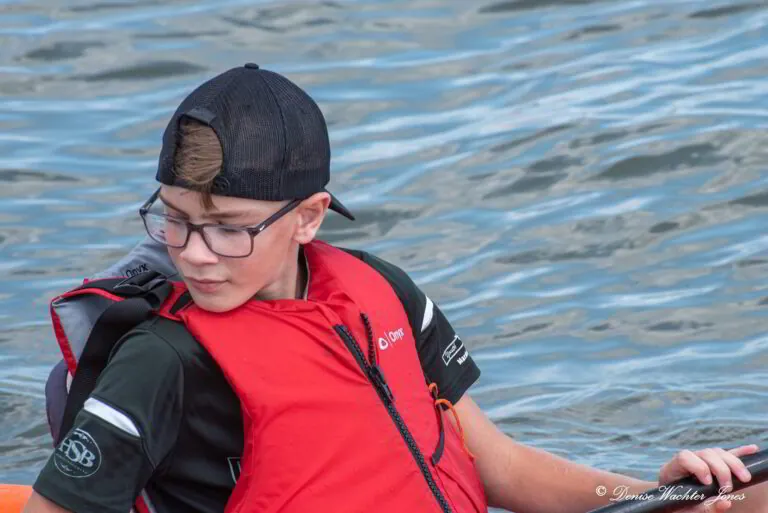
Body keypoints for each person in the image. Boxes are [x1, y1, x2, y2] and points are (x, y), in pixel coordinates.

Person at [23, 64, 768, 513]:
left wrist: (659, 491)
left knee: (740, 498)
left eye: (228, 227)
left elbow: (496, 464)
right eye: (175, 222)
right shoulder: (161, 357)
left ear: (310, 216)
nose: (195, 255)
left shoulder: (382, 290)